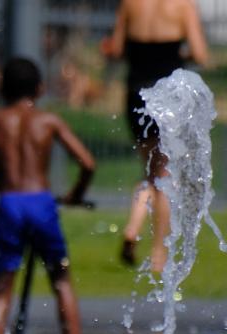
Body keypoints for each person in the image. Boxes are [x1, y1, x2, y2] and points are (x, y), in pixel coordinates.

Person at [0, 58, 96, 334]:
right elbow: (88, 163)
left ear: (3, 88)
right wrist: (76, 194)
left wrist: (0, 174)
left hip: (10, 203)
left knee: (1, 292)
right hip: (41, 202)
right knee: (61, 281)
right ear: (39, 88)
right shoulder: (48, 120)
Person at [102, 0, 208, 271]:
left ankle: (132, 227)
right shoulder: (183, 5)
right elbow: (200, 53)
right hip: (167, 94)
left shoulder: (130, 3)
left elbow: (115, 48)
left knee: (151, 170)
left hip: (137, 92)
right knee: (164, 175)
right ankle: (158, 253)